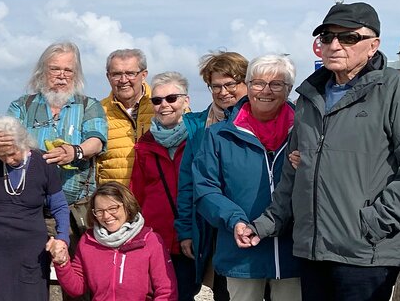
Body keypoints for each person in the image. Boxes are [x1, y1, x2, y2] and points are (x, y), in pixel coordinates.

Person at [248, 2, 400, 301]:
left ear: (373, 45)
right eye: (327, 37)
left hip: (366, 254)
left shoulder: (399, 91)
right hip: (314, 251)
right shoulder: (310, 97)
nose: (335, 45)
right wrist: (267, 223)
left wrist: (374, 223)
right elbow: (295, 170)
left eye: (349, 37)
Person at [193, 55, 301, 300]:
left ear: (289, 90)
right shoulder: (218, 135)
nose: (266, 91)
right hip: (241, 249)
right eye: (258, 83)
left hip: (294, 251)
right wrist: (235, 221)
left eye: (276, 84)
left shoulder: (307, 131)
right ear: (248, 85)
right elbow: (206, 190)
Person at [0, 116, 69, 301]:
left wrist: (63, 238)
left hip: (30, 247)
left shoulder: (42, 163)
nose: (9, 159)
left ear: (24, 142)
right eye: (2, 154)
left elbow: (60, 206)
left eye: (12, 152)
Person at [6, 42, 107, 235]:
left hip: (75, 213)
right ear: (42, 72)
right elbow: (9, 142)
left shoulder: (89, 106)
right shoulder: (22, 106)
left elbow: (96, 141)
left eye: (68, 70)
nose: (61, 75)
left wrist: (74, 152)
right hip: (30, 211)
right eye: (55, 69)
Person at [174, 51, 247, 301]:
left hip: (254, 221)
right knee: (224, 292)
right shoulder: (198, 126)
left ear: (246, 82)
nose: (223, 91)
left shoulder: (260, 118)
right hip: (213, 228)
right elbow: (187, 183)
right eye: (216, 86)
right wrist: (185, 231)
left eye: (230, 84)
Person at [129, 72, 205, 299]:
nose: (164, 105)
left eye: (171, 98)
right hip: (157, 236)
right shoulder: (145, 144)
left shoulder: (200, 137)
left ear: (186, 101)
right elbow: (138, 193)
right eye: (157, 100)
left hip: (192, 235)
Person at [53, 182, 175, 301]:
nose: (106, 216)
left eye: (113, 208)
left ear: (127, 206)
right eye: (99, 211)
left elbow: (166, 291)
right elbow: (77, 288)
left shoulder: (150, 240)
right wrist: (62, 263)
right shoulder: (88, 241)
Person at [98, 49, 153, 188]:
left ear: (144, 75)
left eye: (130, 73)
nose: (123, 80)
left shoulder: (164, 106)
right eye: (116, 74)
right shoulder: (96, 112)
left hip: (156, 201)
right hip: (113, 203)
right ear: (108, 77)